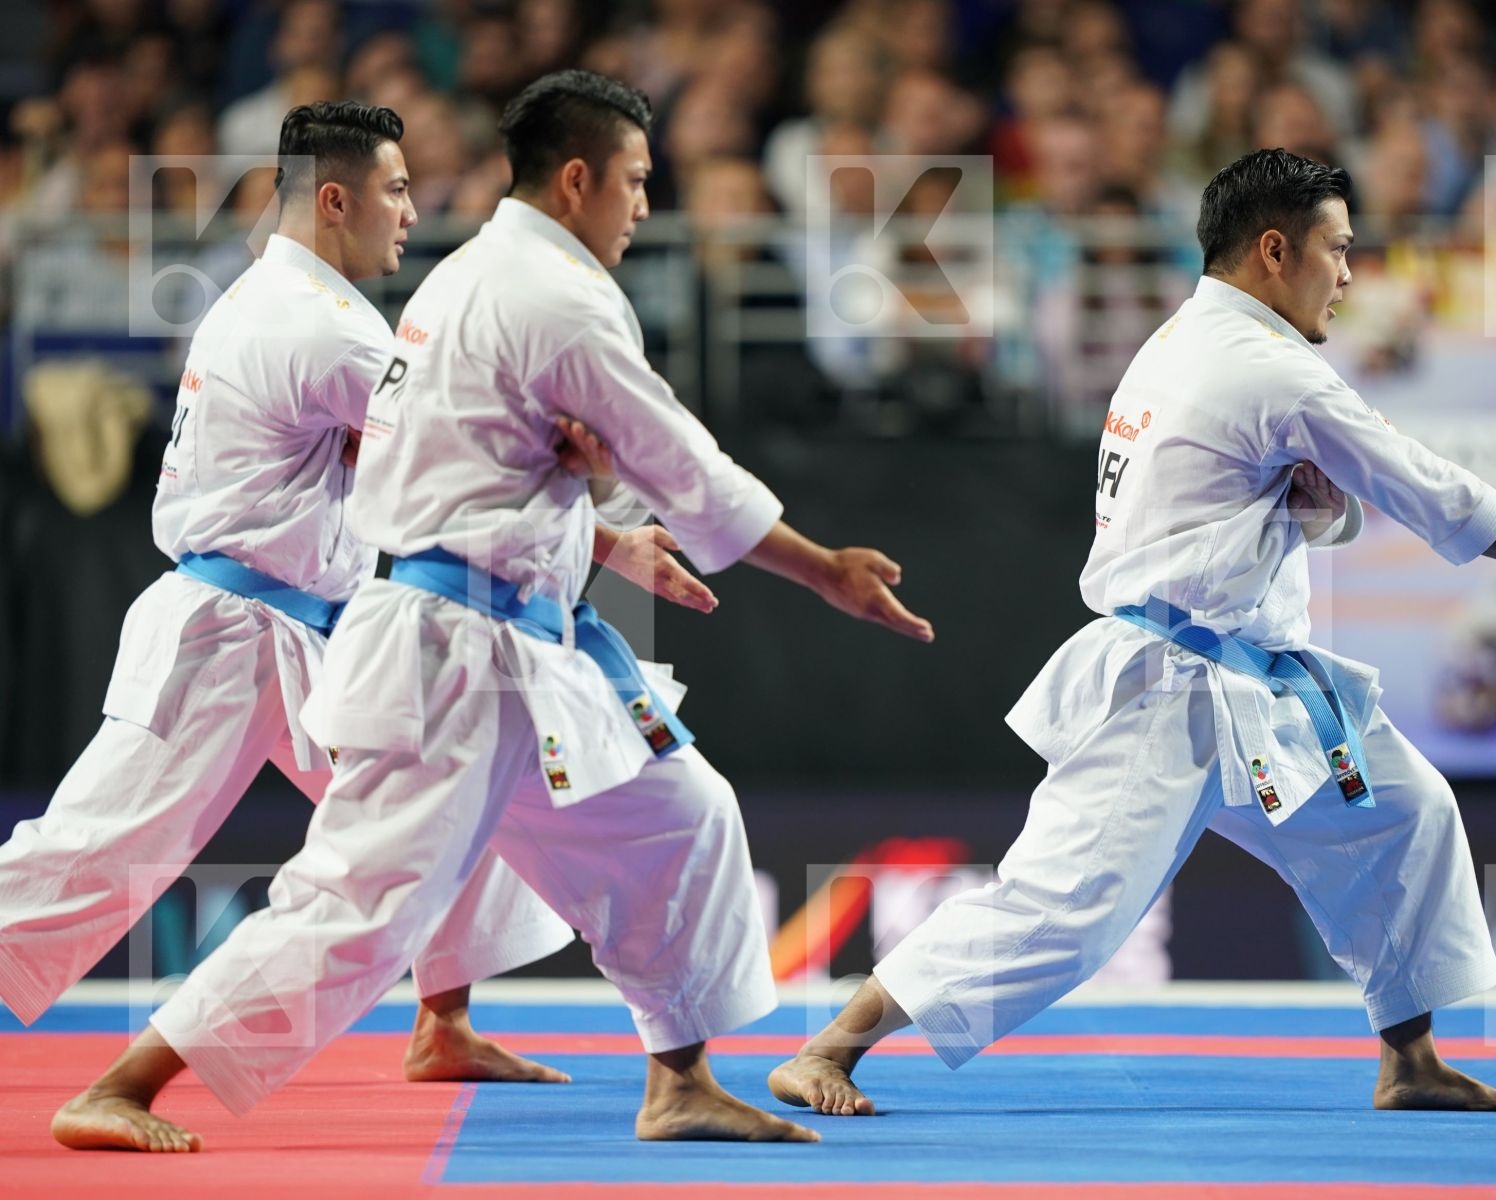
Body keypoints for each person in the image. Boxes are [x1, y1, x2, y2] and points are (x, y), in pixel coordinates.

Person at [52, 70, 934, 1154]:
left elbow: (446, 452)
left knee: (683, 816)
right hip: (443, 652)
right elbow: (681, 462)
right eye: (638, 182)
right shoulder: (539, 298)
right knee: (357, 903)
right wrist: (824, 567)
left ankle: (678, 1079)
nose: (647, 207)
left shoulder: (464, 282)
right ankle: (126, 1082)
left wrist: (581, 504)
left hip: (512, 650)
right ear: (579, 180)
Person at [768, 148, 1496, 1118]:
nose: (1347, 273)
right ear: (1275, 249)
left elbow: (1272, 501)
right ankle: (828, 1049)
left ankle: (1409, 1059)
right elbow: (1417, 483)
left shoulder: (1187, 342)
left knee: (1404, 815)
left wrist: (1310, 505)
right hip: (1169, 690)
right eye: (1337, 250)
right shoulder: (1267, 368)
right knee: (1064, 912)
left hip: (1259, 686)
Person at [1, 103, 620, 1098]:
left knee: (461, 793)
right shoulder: (319, 325)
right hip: (230, 632)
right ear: (335, 199)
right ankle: (131, 1083)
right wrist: (613, 528)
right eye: (397, 189)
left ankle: (443, 1020)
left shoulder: (288, 297)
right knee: (93, 855)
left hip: (305, 631)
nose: (415, 210)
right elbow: (461, 450)